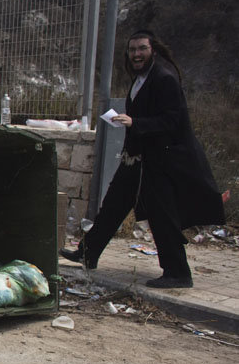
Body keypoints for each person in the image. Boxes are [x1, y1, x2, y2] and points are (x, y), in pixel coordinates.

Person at [60, 30, 224, 288]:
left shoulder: (164, 78)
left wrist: (135, 122)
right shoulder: (141, 79)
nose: (136, 54)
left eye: (141, 49)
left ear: (153, 51)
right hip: (136, 159)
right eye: (133, 50)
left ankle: (178, 272)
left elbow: (172, 121)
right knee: (113, 204)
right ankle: (87, 252)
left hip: (159, 161)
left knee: (162, 214)